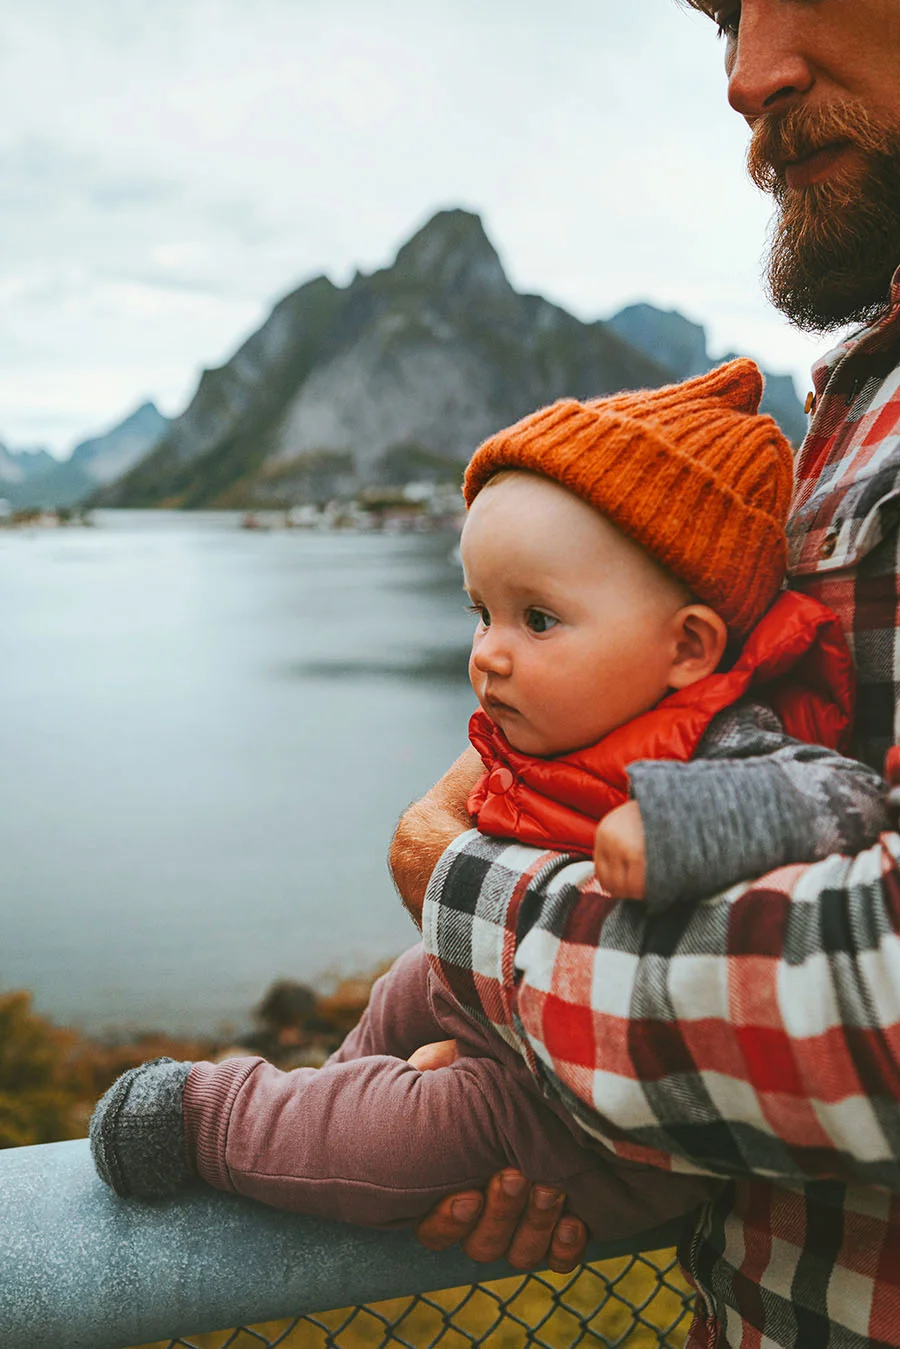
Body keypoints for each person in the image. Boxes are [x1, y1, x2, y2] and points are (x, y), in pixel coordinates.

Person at [89, 360, 888, 1255]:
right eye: (481, 612)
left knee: (434, 1131)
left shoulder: (721, 741)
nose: (488, 656)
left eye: (537, 620)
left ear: (690, 647)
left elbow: (842, 794)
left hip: (601, 1122)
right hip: (515, 1014)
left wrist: (680, 818)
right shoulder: (577, 717)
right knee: (408, 978)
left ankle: (210, 1119)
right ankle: (340, 1095)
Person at [395, 2, 900, 1343]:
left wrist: (461, 887)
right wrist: (554, 1114)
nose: (746, 75)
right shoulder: (853, 404)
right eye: (727, 15)